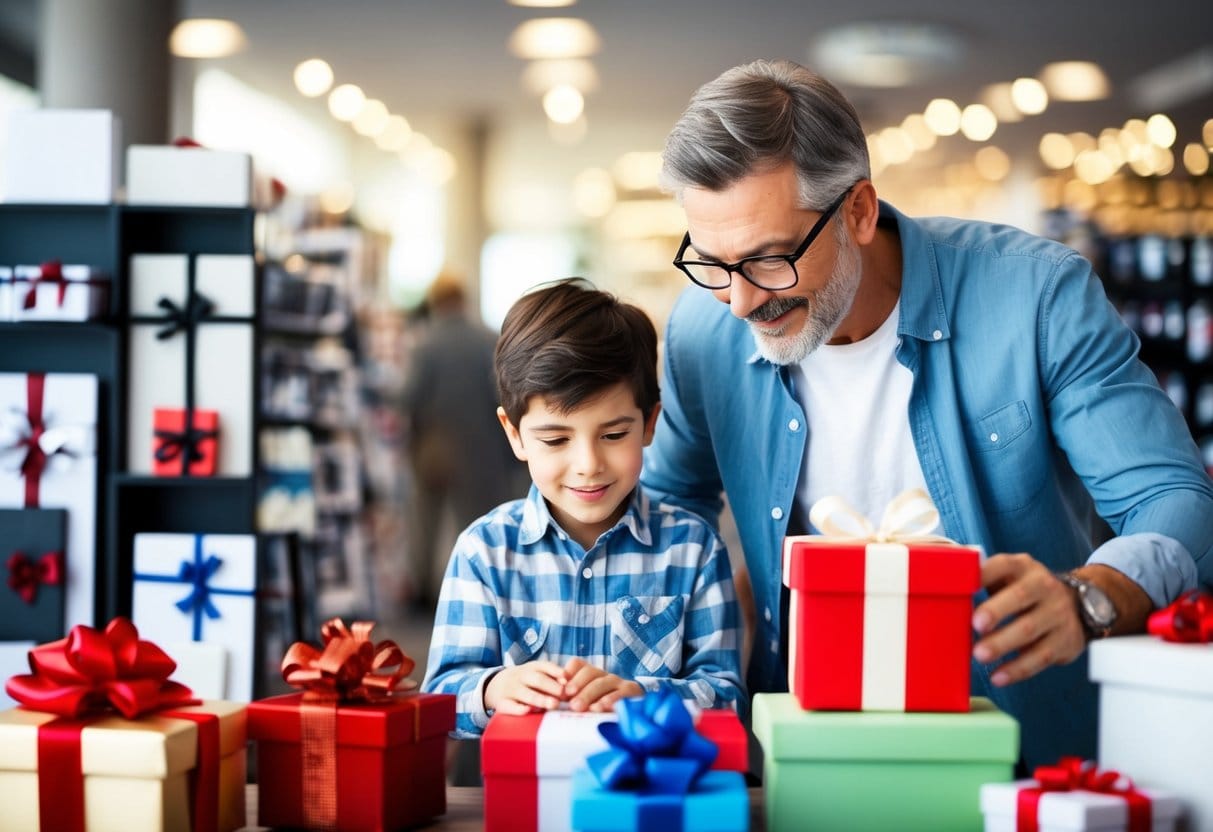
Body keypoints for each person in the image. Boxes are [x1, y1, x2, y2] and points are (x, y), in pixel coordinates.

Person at [641, 59, 1213, 769]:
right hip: (798, 747)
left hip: (1022, 750)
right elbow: (668, 509)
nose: (740, 301)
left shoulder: (1036, 298)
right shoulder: (703, 330)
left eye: (768, 260)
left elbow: (1176, 500)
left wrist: (1090, 597)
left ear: (857, 210)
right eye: (713, 263)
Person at [421, 278, 743, 737]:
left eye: (614, 435)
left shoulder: (694, 551)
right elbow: (440, 697)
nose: (588, 465)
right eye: (555, 440)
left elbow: (727, 696)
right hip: (523, 796)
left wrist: (642, 698)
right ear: (514, 433)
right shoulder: (484, 551)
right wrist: (494, 688)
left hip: (648, 797)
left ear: (650, 423)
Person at [400, 272, 524, 611]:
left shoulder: (425, 344)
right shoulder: (487, 338)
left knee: (427, 521)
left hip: (436, 448)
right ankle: (489, 590)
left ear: (436, 302)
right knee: (480, 521)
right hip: (483, 448)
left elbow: (410, 397)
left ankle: (424, 592)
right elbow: (503, 394)